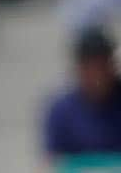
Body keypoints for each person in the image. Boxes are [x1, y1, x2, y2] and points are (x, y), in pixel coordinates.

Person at [43, 27, 121, 161]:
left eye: (101, 66)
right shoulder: (61, 111)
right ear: (78, 68)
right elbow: (51, 161)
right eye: (90, 67)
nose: (97, 74)